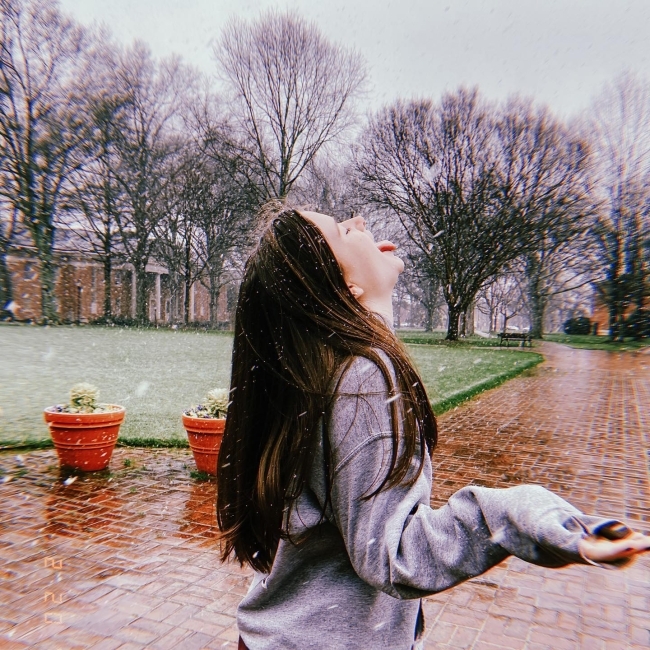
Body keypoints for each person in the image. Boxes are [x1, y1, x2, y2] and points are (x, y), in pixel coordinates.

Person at [216, 204, 650, 650]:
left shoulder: (323, 368)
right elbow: (393, 552)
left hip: (278, 635)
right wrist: (517, 513)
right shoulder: (364, 376)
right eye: (344, 232)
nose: (360, 221)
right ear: (348, 285)